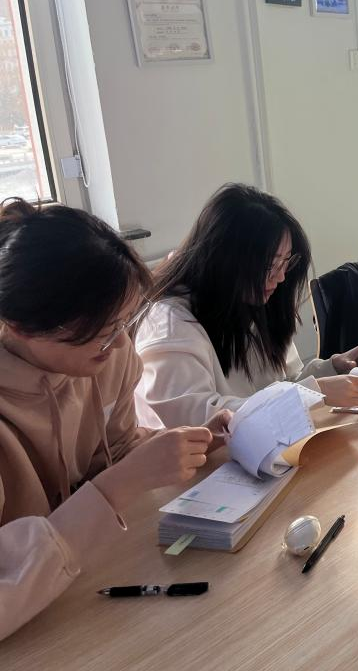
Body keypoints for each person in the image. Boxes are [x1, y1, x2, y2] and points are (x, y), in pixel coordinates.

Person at [0, 200, 229, 640]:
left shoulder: (108, 360)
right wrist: (116, 487)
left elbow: (117, 448)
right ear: (20, 327)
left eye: (125, 323)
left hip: (84, 588)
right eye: (102, 333)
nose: (121, 344)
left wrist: (192, 442)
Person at [135, 184, 358, 429]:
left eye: (286, 262)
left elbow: (283, 382)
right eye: (270, 266)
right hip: (212, 456)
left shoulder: (254, 300)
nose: (281, 277)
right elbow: (200, 422)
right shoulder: (170, 323)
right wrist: (315, 393)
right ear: (226, 261)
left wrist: (330, 368)